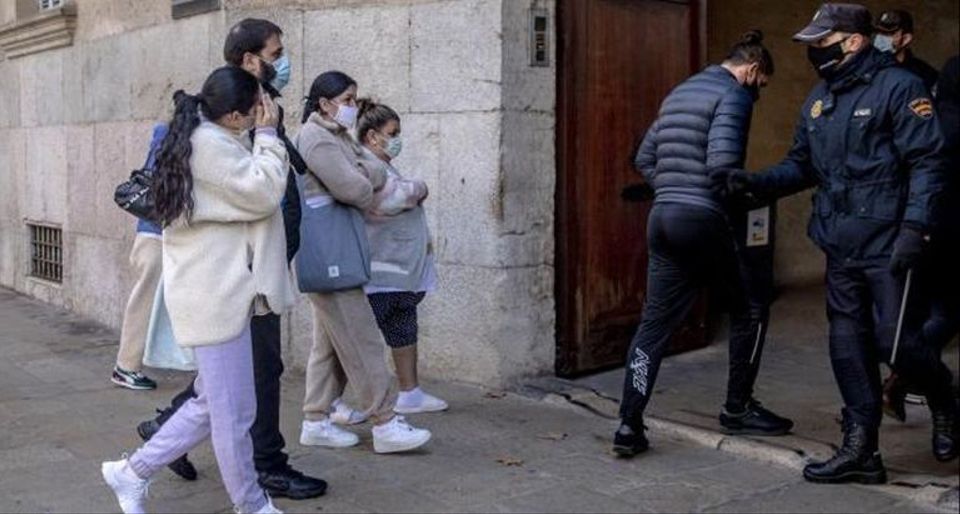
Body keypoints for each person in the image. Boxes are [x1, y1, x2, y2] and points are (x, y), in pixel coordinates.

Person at [727, 3, 957, 483]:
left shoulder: (902, 88)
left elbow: (928, 163)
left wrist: (916, 228)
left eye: (821, 42)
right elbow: (802, 165)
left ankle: (943, 397)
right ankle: (861, 451)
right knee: (847, 345)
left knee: (898, 345)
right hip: (839, 244)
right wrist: (754, 183)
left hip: (891, 242)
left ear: (853, 41)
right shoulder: (819, 101)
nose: (814, 51)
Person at [134, 19, 327, 500]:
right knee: (239, 397)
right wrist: (267, 136)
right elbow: (260, 193)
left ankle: (140, 461)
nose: (284, 61)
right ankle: (257, 485)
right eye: (276, 52)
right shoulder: (220, 134)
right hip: (229, 287)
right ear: (249, 60)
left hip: (245, 280)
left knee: (220, 396)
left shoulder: (233, 123)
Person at [101, 67, 290, 514]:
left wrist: (257, 134)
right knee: (233, 414)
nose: (266, 109)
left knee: (213, 403)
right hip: (214, 297)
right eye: (257, 106)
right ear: (235, 116)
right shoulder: (210, 147)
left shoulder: (215, 138)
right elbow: (263, 191)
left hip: (223, 292)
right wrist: (268, 135)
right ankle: (252, 504)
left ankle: (131, 472)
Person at [613, 30, 793, 458]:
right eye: (761, 85)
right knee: (751, 306)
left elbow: (644, 158)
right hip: (703, 219)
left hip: (663, 218)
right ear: (752, 71)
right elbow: (722, 166)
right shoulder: (734, 96)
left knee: (653, 326)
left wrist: (672, 190)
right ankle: (738, 408)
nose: (758, 94)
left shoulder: (682, 91)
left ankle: (628, 423)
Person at [294, 71, 432, 454]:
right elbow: (356, 188)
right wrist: (362, 176)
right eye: (349, 99)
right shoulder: (316, 138)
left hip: (340, 247)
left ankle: (315, 419)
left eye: (353, 100)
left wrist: (362, 174)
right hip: (330, 251)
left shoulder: (334, 136)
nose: (354, 107)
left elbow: (369, 168)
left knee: (329, 345)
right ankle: (385, 422)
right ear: (325, 103)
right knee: (362, 339)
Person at [355, 98, 448, 414]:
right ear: (372, 136)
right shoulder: (365, 164)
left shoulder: (385, 165)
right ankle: (333, 404)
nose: (398, 139)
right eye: (392, 133)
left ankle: (411, 392)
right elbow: (389, 199)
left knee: (404, 330)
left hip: (400, 273)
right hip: (379, 274)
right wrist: (419, 187)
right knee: (359, 343)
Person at [109, 127, 167, 391]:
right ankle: (126, 366)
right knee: (144, 299)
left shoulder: (169, 133)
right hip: (155, 234)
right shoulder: (168, 135)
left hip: (157, 232)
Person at [872, 10, 939, 92]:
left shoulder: (925, 75)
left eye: (888, 34)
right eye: (879, 32)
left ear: (906, 39)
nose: (880, 38)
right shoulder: (866, 67)